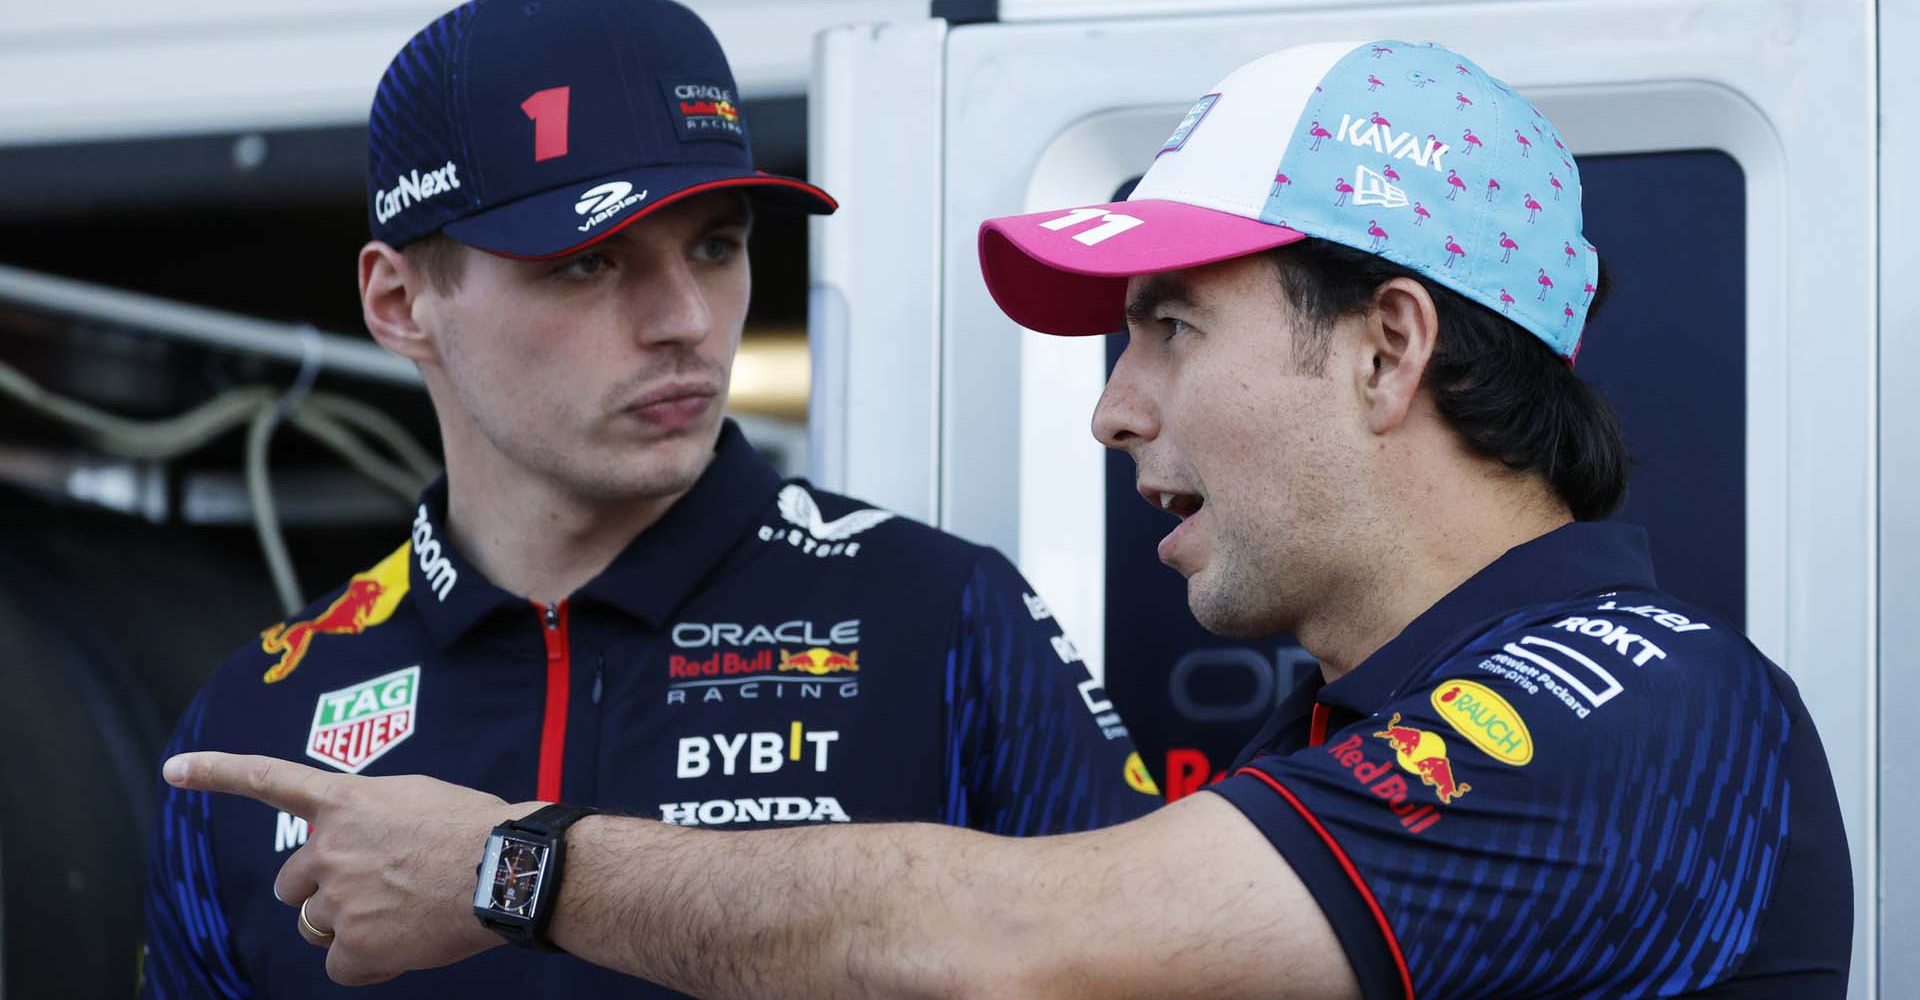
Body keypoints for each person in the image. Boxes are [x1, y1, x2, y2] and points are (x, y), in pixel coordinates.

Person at [164, 38, 1854, 999]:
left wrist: (510, 865)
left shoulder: (1649, 711)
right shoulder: (1342, 727)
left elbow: (1010, 946)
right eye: (589, 262)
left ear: (1390, 345)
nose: (1118, 407)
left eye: (1169, 328)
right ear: (400, 299)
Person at [139, 2, 1161, 997]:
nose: (684, 319)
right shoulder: (258, 720)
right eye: (590, 261)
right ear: (401, 302)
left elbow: (1135, 968)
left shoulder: (940, 617)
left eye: (716, 246)